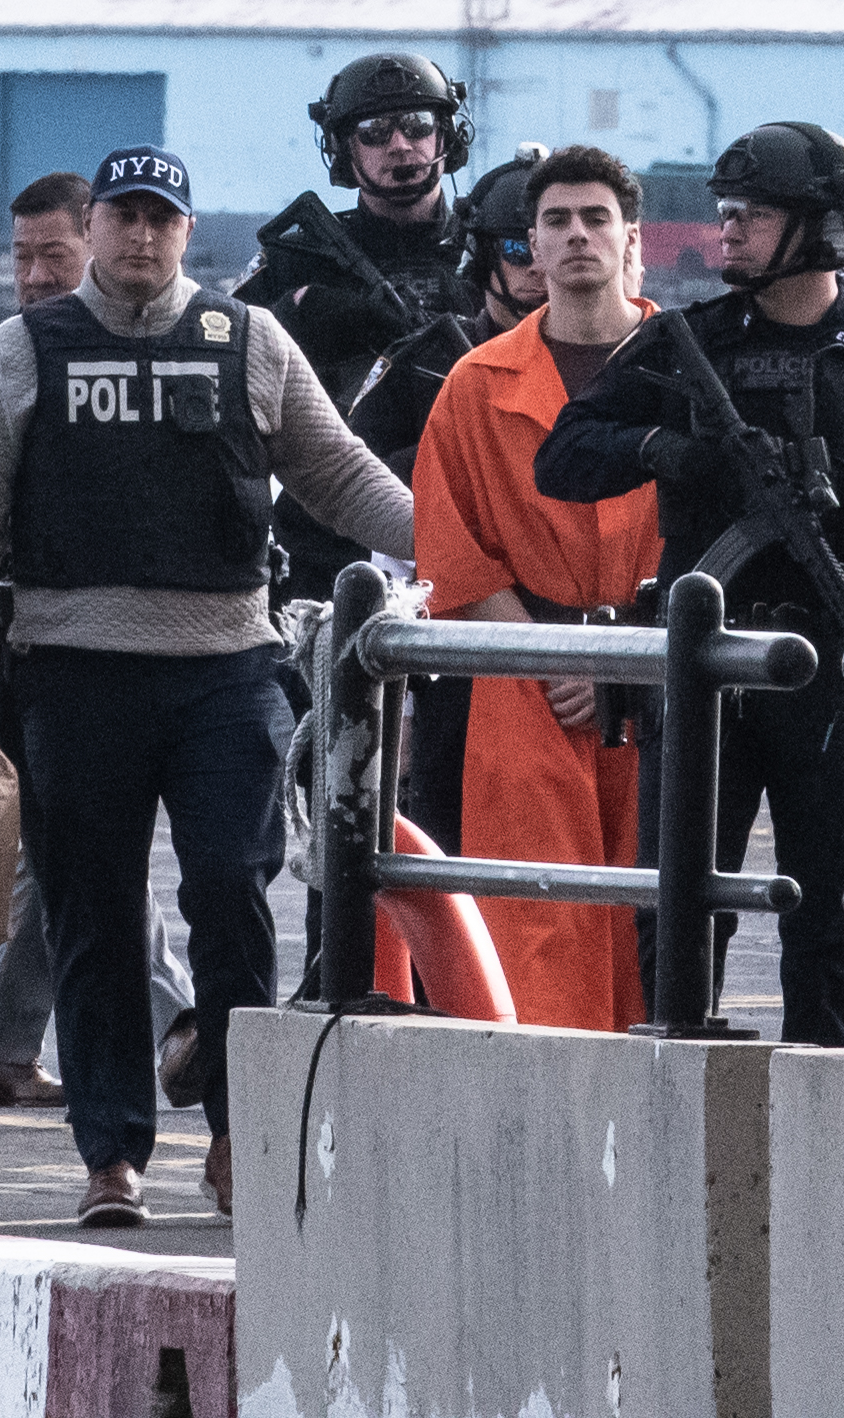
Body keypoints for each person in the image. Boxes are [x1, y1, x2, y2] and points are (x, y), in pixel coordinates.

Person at [0, 145, 413, 1226]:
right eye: (123, 217)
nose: (141, 236)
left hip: (224, 673)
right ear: (89, 225)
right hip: (71, 671)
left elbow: (337, 473)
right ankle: (111, 1153)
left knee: (231, 901)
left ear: (189, 232)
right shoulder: (24, 349)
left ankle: (238, 1128)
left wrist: (458, 545)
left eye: (162, 218)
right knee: (92, 921)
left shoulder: (247, 339)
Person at [535, 121, 844, 1046]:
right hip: (707, 678)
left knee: (833, 927)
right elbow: (563, 456)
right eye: (725, 212)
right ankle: (680, 1102)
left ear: (816, 227)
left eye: (754, 214)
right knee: (678, 915)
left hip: (837, 674)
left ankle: (834, 1133)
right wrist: (664, 448)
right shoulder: (684, 345)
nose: (727, 231)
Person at [0, 172, 200, 1115]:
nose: (31, 275)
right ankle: (178, 1021)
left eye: (51, 254)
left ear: (91, 244)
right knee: (78, 853)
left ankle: (5, 1046)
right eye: (19, 256)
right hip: (19, 647)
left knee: (55, 852)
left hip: (101, 641)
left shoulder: (166, 353)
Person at [413, 146, 659, 1030]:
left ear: (633, 239)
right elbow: (453, 551)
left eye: (596, 218)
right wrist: (552, 658)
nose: (577, 236)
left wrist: (625, 658)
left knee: (655, 919)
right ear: (530, 247)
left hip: (659, 672)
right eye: (556, 221)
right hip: (523, 679)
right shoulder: (477, 387)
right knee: (536, 920)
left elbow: (717, 542)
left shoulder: (691, 373)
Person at [349, 144, 552, 858]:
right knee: (440, 858)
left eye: (554, 241)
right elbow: (358, 490)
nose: (539, 264)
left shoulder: (631, 361)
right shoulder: (429, 362)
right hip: (454, 645)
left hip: (585, 649)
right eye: (520, 245)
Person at [236, 51, 482, 601]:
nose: (401, 145)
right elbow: (215, 356)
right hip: (331, 528)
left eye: (419, 126)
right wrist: (295, 317)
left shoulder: (493, 246)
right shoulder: (299, 262)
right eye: (375, 131)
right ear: (344, 149)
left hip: (480, 503)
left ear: (449, 136)